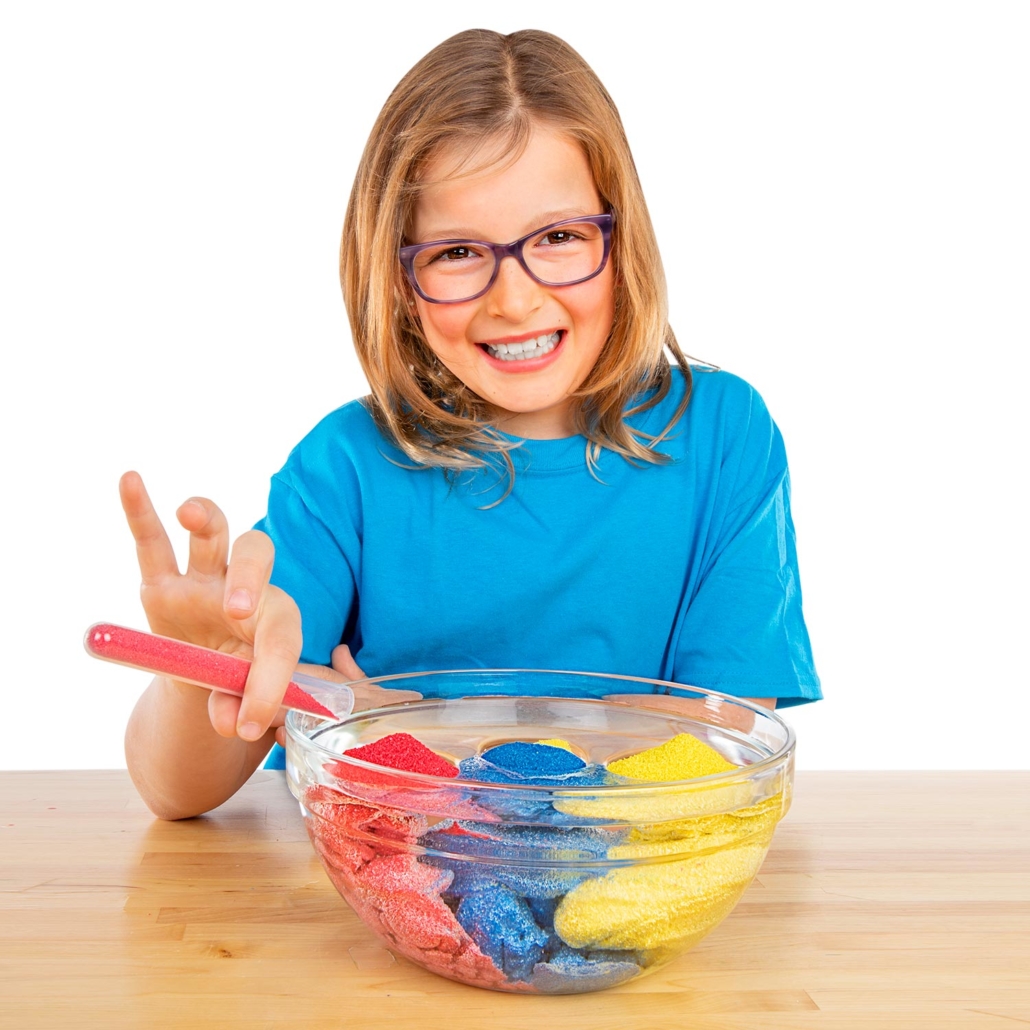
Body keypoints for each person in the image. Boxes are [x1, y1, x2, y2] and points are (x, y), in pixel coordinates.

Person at [121, 28, 821, 821]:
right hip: (391, 897)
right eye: (457, 252)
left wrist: (396, 740)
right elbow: (176, 789)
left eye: (558, 237)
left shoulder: (723, 436)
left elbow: (719, 755)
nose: (514, 299)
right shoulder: (343, 471)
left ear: (619, 238)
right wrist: (198, 673)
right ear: (399, 278)